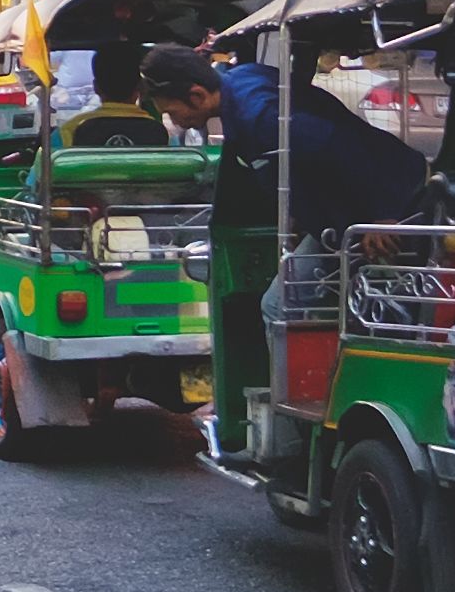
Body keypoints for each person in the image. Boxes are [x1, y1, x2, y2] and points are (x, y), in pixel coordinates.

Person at [140, 43, 429, 395]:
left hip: (385, 207)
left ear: (197, 95)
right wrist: (299, 215)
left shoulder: (256, 114)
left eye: (172, 111)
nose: (173, 121)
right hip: (347, 218)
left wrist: (381, 215)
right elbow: (300, 165)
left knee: (281, 304)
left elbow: (335, 145)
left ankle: (294, 414)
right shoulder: (239, 84)